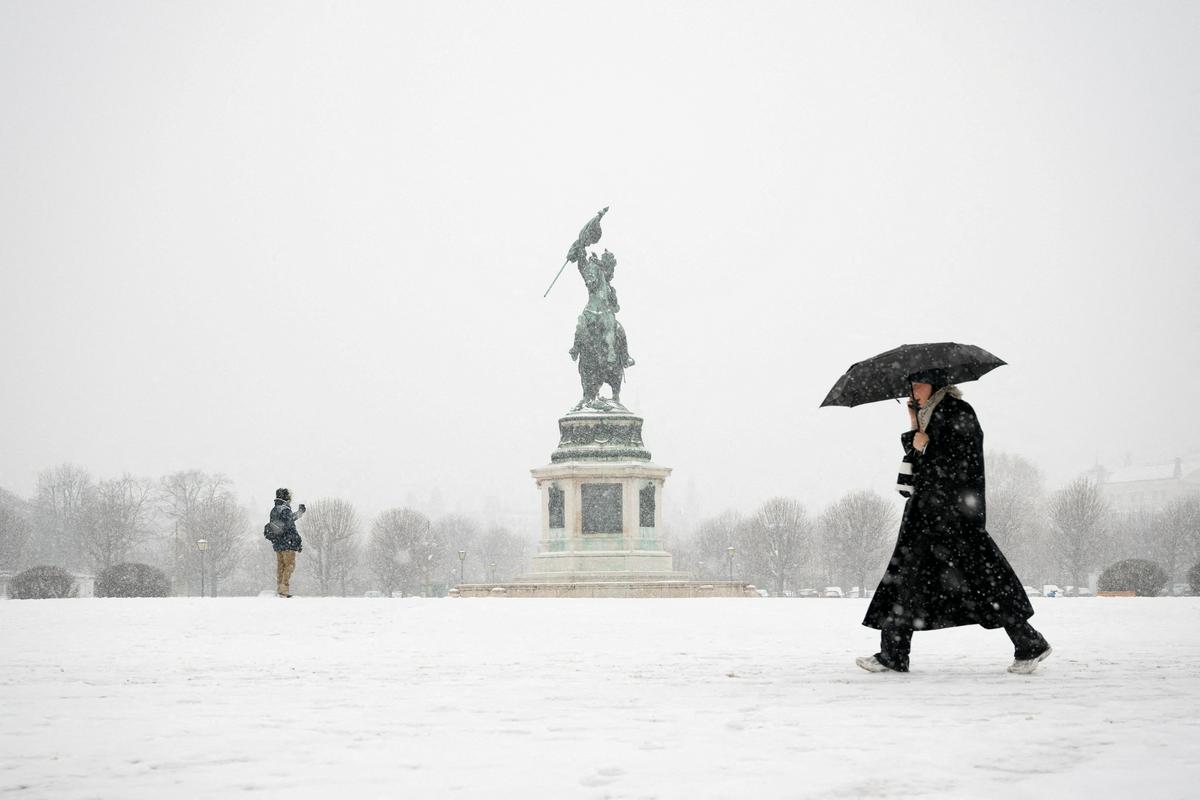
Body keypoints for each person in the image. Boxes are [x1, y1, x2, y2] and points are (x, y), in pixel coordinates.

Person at [858, 372, 1052, 674]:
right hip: (928, 518)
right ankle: (893, 653)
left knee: (984, 581)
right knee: (907, 580)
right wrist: (915, 426)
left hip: (953, 519)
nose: (913, 391)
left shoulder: (958, 412)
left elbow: (959, 463)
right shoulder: (930, 415)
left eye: (917, 385)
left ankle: (1029, 642)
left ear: (935, 384)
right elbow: (919, 466)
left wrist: (925, 444)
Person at [266, 488, 305, 598]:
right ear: (286, 497)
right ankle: (284, 589)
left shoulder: (274, 510)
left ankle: (280, 588)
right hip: (288, 543)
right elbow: (290, 526)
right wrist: (298, 542)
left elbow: (285, 521)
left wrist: (298, 513)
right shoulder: (285, 509)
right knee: (290, 566)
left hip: (278, 544)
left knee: (281, 566)